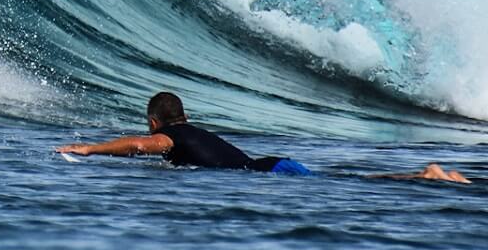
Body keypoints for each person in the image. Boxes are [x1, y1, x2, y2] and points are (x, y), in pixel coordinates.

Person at [57, 90, 468, 182]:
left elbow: (140, 146)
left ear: (154, 123)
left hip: (272, 173)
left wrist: (89, 149)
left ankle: (426, 175)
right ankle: (427, 176)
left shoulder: (170, 138)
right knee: (351, 180)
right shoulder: (191, 131)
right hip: (274, 164)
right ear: (185, 116)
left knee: (354, 182)